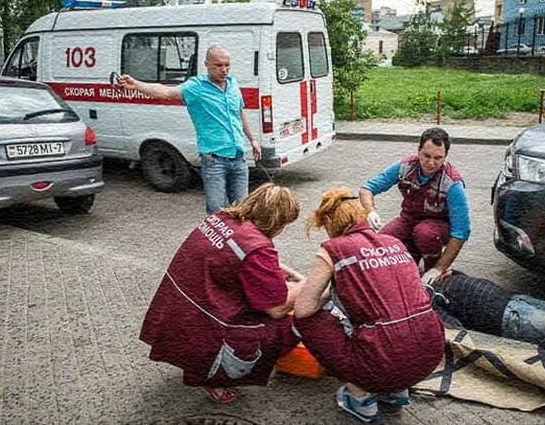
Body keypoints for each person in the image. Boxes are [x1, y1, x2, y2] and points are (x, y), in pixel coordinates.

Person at [140, 183, 304, 404]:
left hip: (179, 309)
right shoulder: (258, 246)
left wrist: (283, 272)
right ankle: (222, 373)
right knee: (297, 318)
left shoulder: (221, 219)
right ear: (277, 221)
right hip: (210, 322)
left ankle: (201, 361)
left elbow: (238, 256)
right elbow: (276, 308)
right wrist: (311, 285)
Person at [294, 188, 445, 423]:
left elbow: (303, 308)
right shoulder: (394, 241)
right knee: (393, 323)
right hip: (430, 353)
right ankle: (395, 390)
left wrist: (328, 292)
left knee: (308, 320)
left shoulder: (334, 249)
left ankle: (360, 397)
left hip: (383, 361)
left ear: (330, 222)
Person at [117, 45, 261, 214]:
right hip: (215, 161)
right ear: (206, 64)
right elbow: (166, 92)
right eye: (218, 65)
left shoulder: (232, 84)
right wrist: (137, 84)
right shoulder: (196, 87)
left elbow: (239, 112)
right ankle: (216, 241)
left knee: (242, 210)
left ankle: (237, 241)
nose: (224, 70)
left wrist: (253, 139)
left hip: (238, 158)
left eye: (227, 65)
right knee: (217, 212)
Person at [359, 127, 470, 280]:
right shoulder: (405, 167)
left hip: (438, 228)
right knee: (380, 244)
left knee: (424, 233)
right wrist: (370, 211)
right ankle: (407, 262)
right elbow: (367, 189)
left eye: (438, 158)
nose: (431, 163)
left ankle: (433, 270)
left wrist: (439, 268)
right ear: (418, 151)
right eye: (426, 156)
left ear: (445, 157)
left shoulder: (452, 183)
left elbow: (461, 232)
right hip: (408, 220)